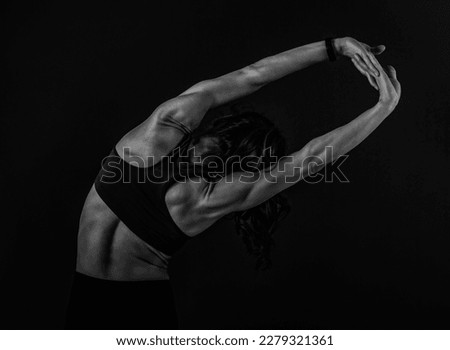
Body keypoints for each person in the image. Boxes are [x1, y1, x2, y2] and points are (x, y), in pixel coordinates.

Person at [65, 37, 401, 329]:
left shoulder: (164, 123)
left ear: (224, 129)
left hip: (84, 296)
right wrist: (383, 108)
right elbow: (309, 158)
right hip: (144, 307)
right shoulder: (207, 198)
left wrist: (336, 46)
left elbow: (252, 75)